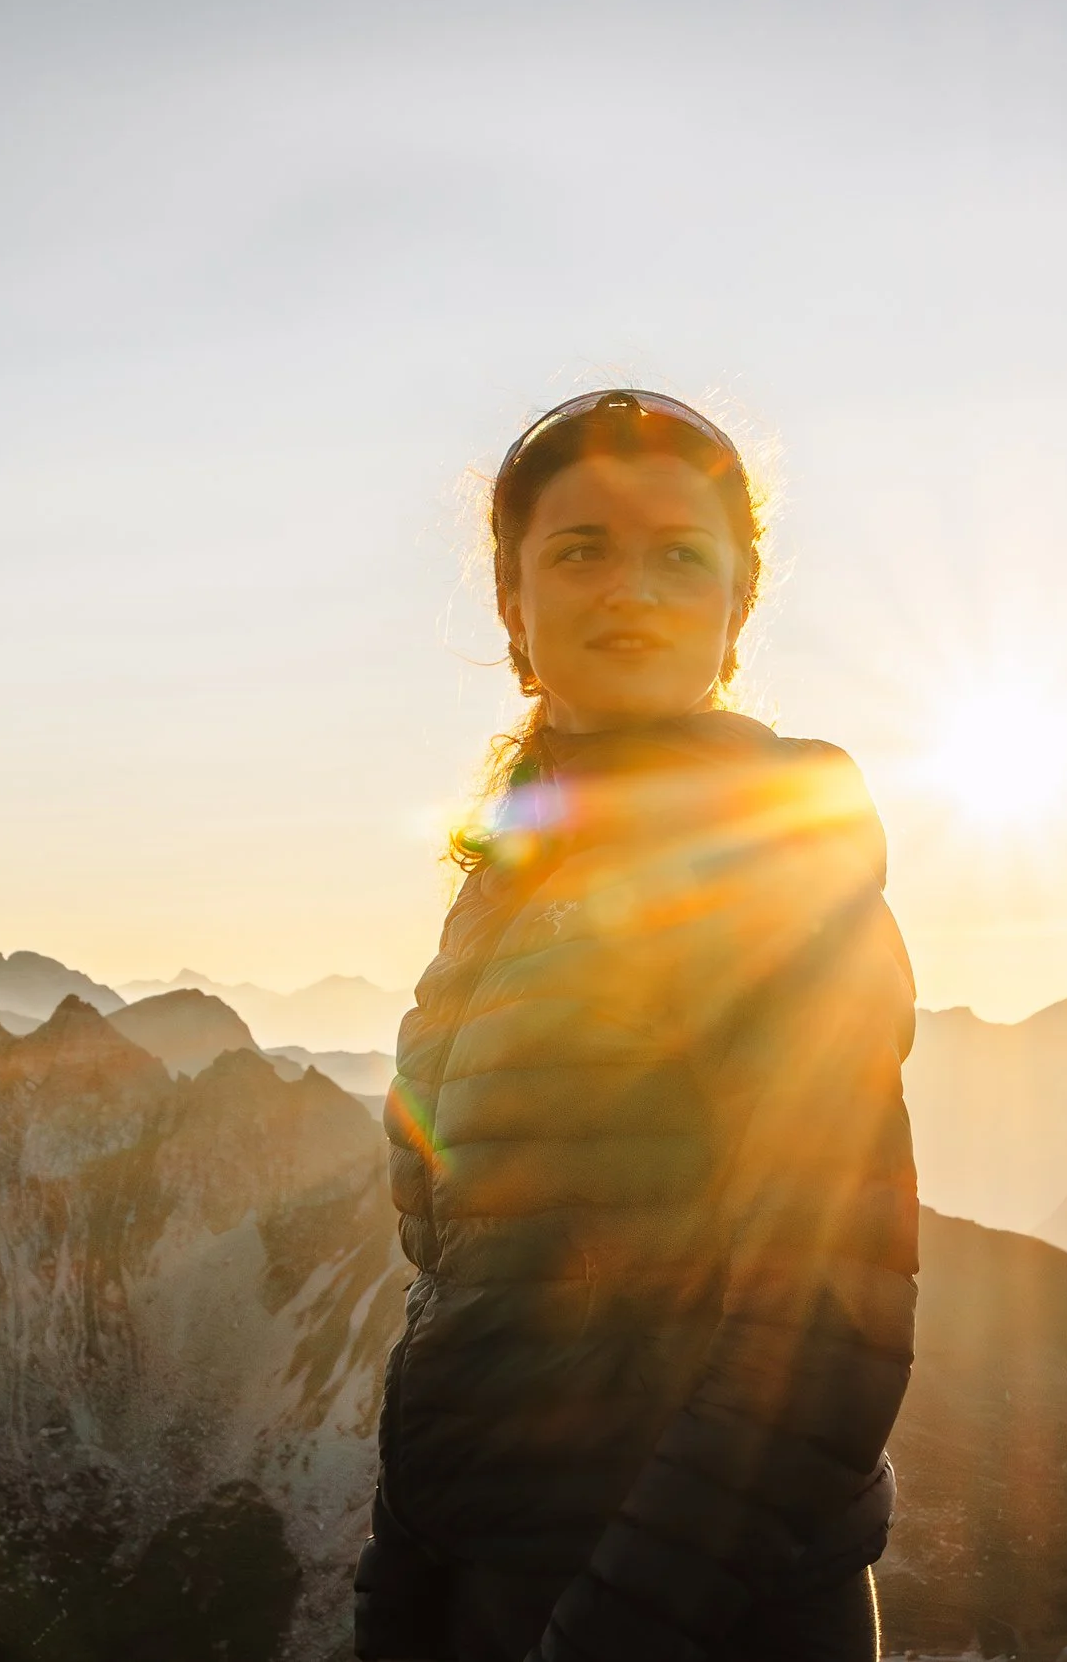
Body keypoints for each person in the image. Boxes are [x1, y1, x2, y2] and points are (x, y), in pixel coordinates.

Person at [355, 390, 920, 1662]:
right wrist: (402, 1595)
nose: (633, 588)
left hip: (704, 1616)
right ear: (513, 601)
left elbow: (821, 1335)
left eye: (680, 553)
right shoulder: (507, 886)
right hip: (500, 1589)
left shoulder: (764, 858)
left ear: (735, 609)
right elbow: (457, 1290)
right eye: (581, 549)